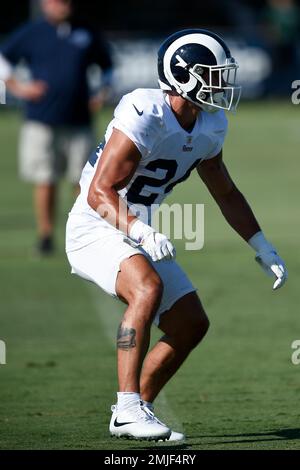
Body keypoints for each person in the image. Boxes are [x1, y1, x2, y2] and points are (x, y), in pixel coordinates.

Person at [66, 29, 288, 442]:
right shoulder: (144, 111)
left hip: (136, 228)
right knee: (146, 289)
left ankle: (133, 411)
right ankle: (129, 405)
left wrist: (261, 244)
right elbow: (98, 192)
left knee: (190, 324)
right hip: (96, 224)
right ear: (183, 76)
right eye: (212, 74)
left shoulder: (210, 124)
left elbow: (224, 189)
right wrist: (140, 231)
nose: (222, 83)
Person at [0, 0, 113, 255]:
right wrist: (19, 88)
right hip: (42, 120)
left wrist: (102, 93)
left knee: (83, 182)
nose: (65, 5)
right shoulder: (33, 32)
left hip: (79, 120)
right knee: (45, 179)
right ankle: (46, 235)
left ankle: (86, 234)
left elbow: (107, 66)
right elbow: (3, 59)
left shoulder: (86, 31)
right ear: (45, 4)